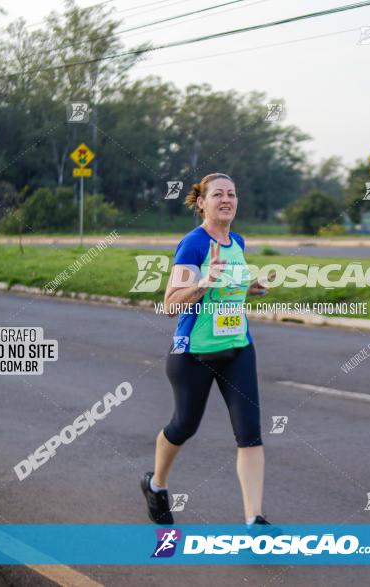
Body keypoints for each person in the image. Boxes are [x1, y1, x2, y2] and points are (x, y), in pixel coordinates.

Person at [140, 172, 273, 526]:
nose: (227, 199)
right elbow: (170, 304)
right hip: (193, 352)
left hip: (237, 347)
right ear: (202, 203)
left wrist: (251, 288)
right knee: (184, 425)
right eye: (218, 195)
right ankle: (156, 484)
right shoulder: (193, 244)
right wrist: (203, 282)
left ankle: (254, 521)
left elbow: (230, 289)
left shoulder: (238, 242)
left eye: (232, 193)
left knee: (250, 434)